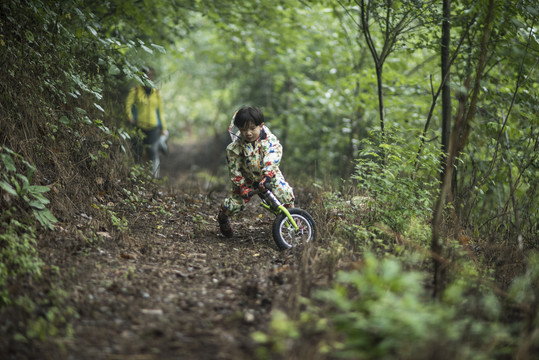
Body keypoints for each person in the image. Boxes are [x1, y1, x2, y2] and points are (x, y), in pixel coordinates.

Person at [218, 106, 295, 237]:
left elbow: (273, 155)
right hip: (247, 179)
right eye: (243, 129)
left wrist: (268, 176)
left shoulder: (269, 140)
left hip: (268, 174)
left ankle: (292, 219)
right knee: (234, 205)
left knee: (285, 193)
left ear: (261, 126)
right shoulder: (235, 147)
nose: (248, 133)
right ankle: (223, 217)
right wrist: (241, 186)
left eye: (252, 129)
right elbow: (234, 168)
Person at [125, 67, 168, 178]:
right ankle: (136, 176)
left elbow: (161, 112)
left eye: (151, 75)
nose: (150, 77)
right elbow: (128, 105)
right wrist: (130, 117)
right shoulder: (135, 90)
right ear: (142, 76)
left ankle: (154, 177)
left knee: (153, 151)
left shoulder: (157, 93)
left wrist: (163, 127)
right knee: (137, 151)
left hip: (154, 127)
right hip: (139, 125)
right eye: (147, 75)